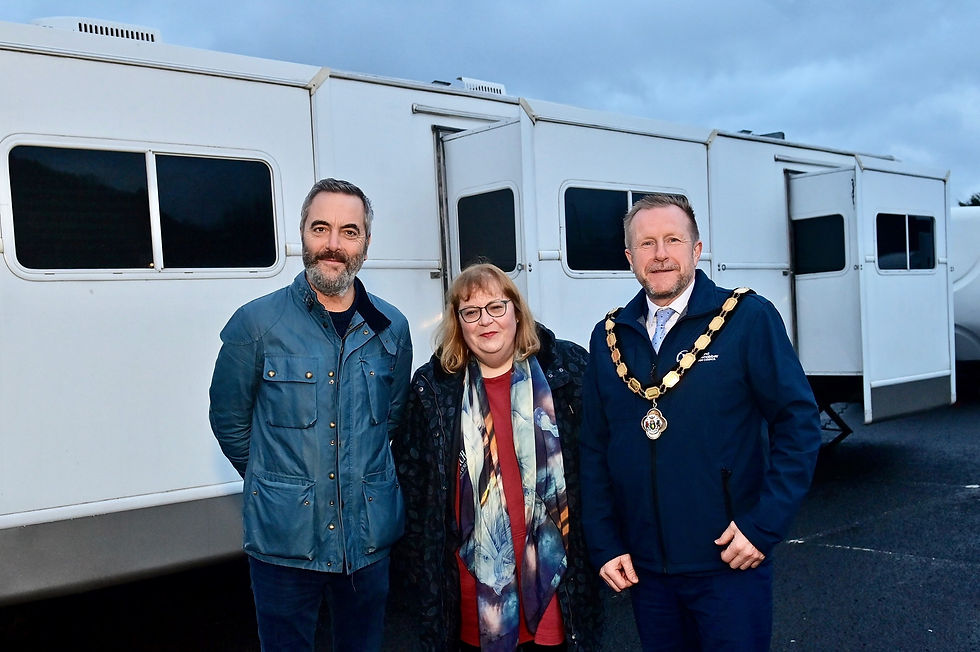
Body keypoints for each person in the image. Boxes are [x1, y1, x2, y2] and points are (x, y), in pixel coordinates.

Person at [579, 193, 821, 651]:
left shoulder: (747, 318)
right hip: (647, 572)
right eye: (646, 243)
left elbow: (799, 424)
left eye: (673, 240)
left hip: (729, 562)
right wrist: (605, 543)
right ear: (629, 257)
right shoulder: (610, 336)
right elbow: (594, 447)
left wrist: (763, 525)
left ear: (697, 249)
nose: (660, 254)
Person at [208, 178, 412, 652]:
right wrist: (277, 483)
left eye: (349, 231)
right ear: (301, 233)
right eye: (321, 228)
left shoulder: (391, 328)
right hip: (285, 542)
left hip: (366, 541)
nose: (333, 244)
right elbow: (229, 421)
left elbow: (391, 419)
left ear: (365, 243)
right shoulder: (256, 324)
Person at [392, 263, 602, 651]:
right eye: (471, 312)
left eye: (496, 307)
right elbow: (413, 487)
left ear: (516, 312)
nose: (485, 321)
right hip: (474, 586)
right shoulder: (433, 388)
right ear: (458, 323)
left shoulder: (567, 369)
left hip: (556, 575)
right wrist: (418, 575)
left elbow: (599, 462)